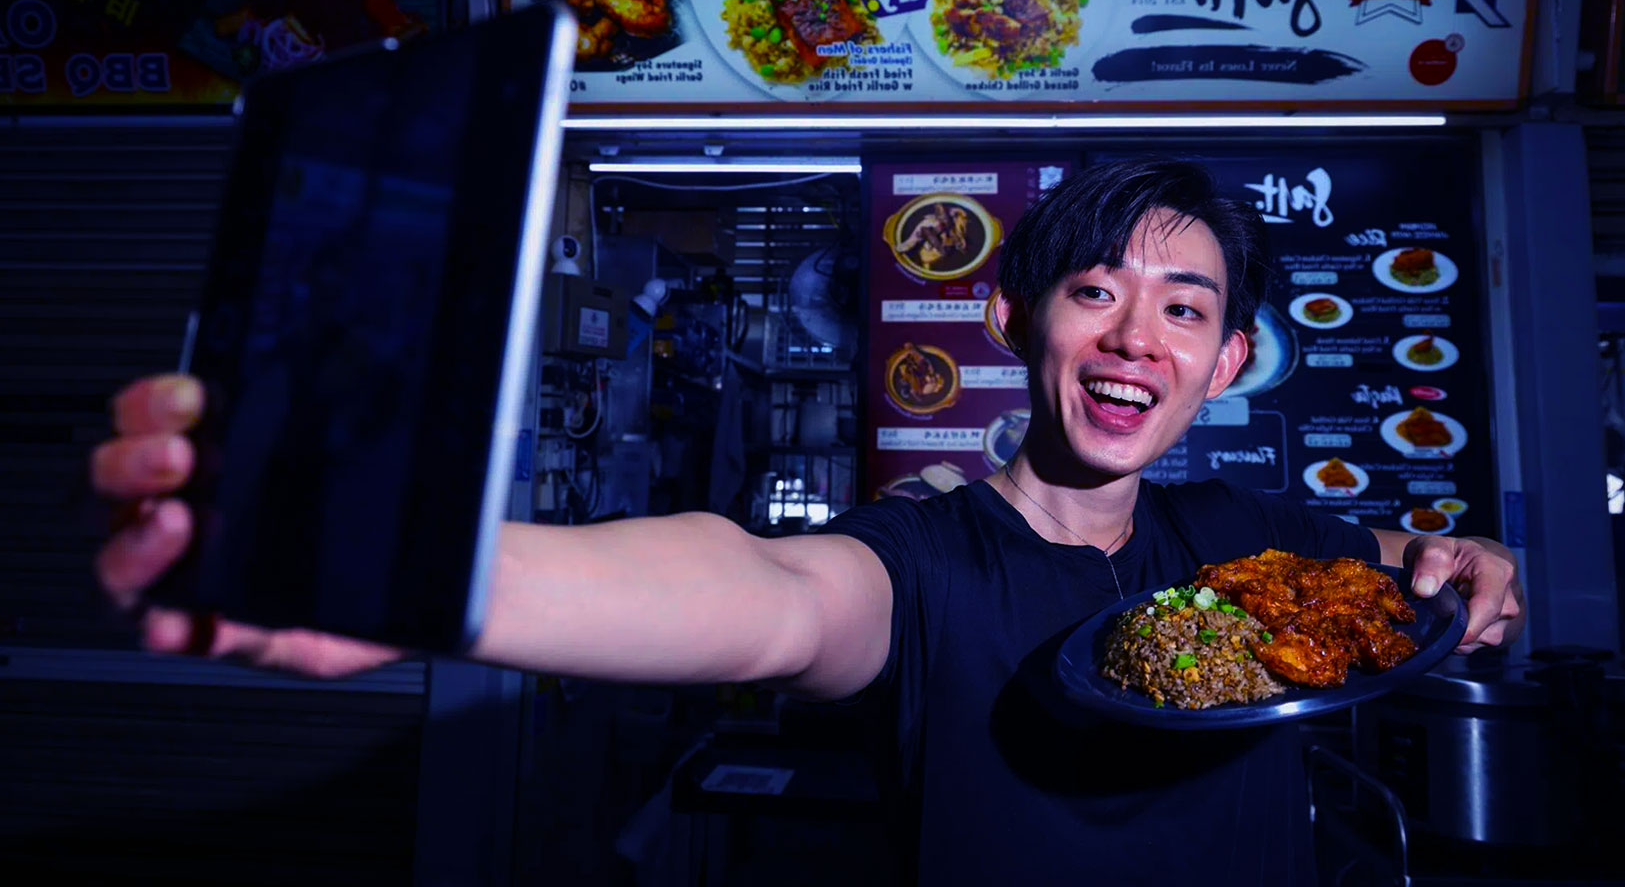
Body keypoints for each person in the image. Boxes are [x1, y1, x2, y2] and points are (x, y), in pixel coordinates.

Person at [90, 157, 1524, 884]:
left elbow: (1397, 569)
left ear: (1222, 367)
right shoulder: (925, 559)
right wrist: (438, 572)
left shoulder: (1241, 540)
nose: (1131, 336)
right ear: (1012, 318)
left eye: (1182, 309)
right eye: (1092, 291)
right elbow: (763, 590)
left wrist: (1465, 554)